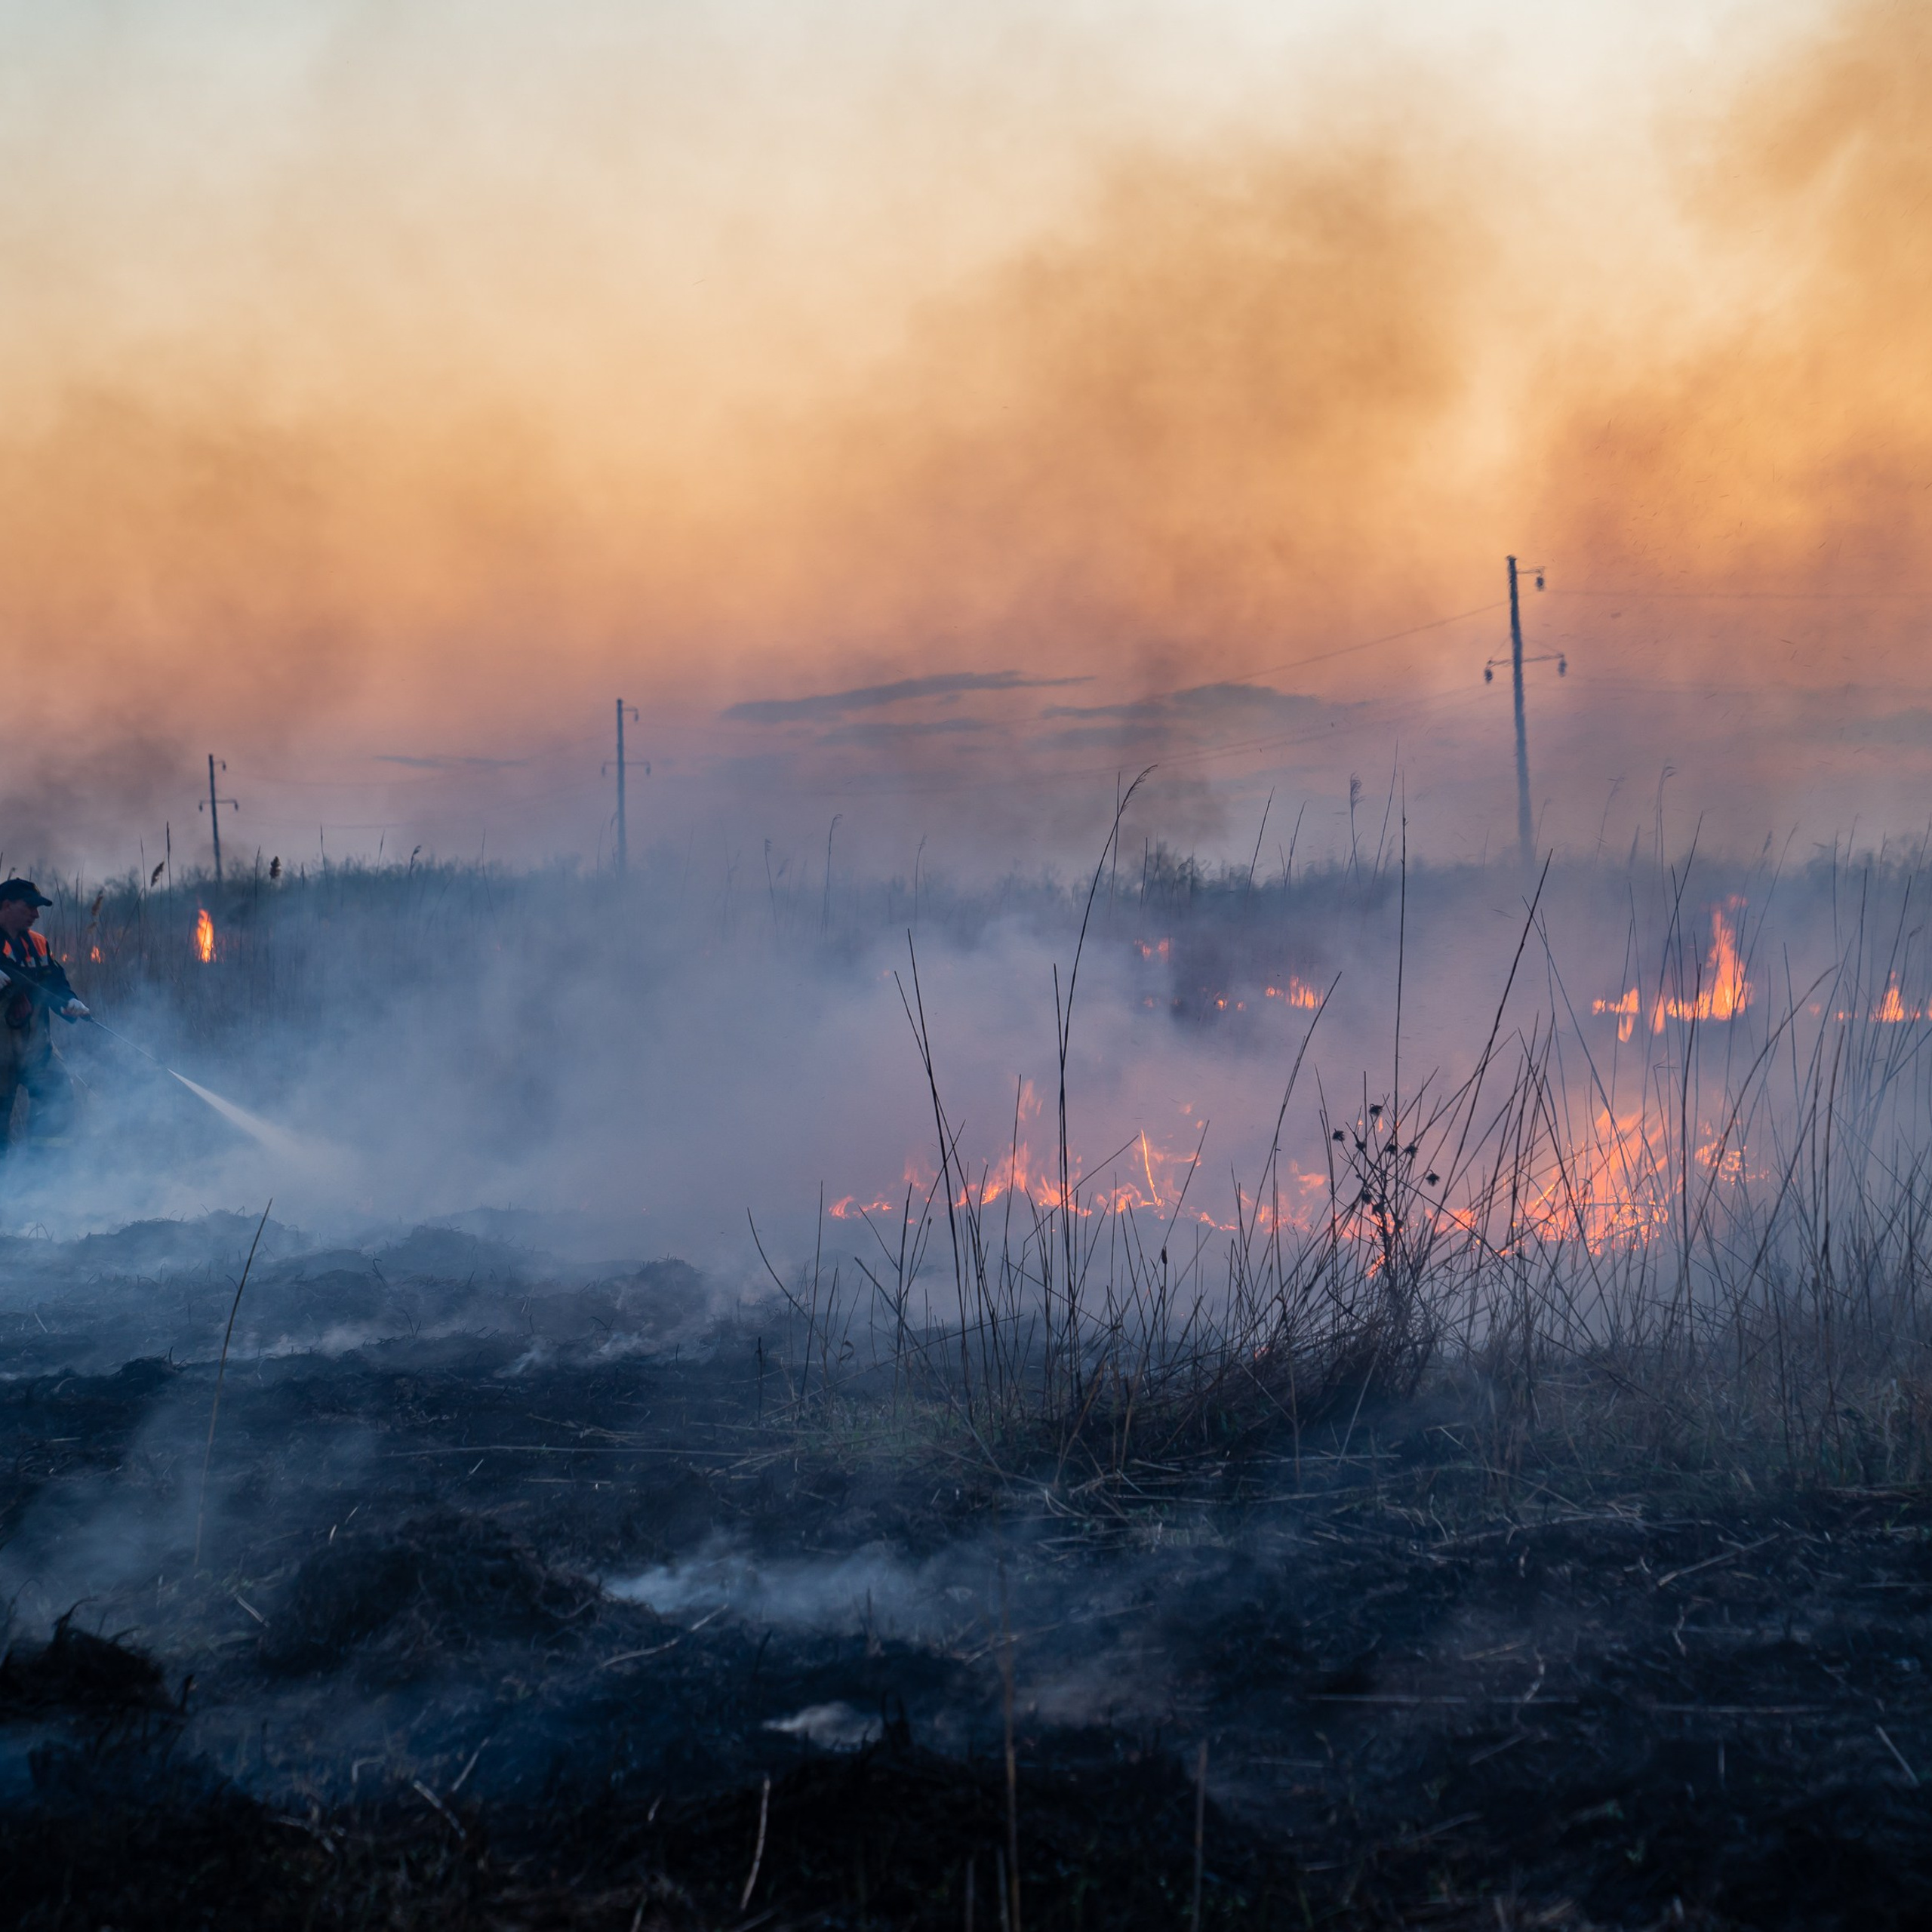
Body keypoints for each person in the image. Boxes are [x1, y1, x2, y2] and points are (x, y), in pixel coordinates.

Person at [0, 879, 88, 1150]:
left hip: (36, 1048)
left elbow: (54, 984)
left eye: (38, 909)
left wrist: (70, 1002)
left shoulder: (38, 944)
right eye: (30, 907)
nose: (36, 915)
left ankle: (46, 1174)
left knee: (57, 1095)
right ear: (6, 905)